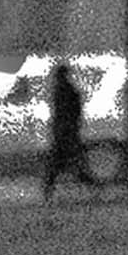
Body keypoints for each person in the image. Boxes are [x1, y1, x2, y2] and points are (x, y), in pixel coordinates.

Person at [42, 55, 86, 200]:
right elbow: (76, 111)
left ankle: (49, 188)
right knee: (73, 160)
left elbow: (59, 112)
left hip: (63, 131)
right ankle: (89, 183)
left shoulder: (61, 91)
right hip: (69, 130)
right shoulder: (70, 91)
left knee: (58, 161)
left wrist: (57, 128)